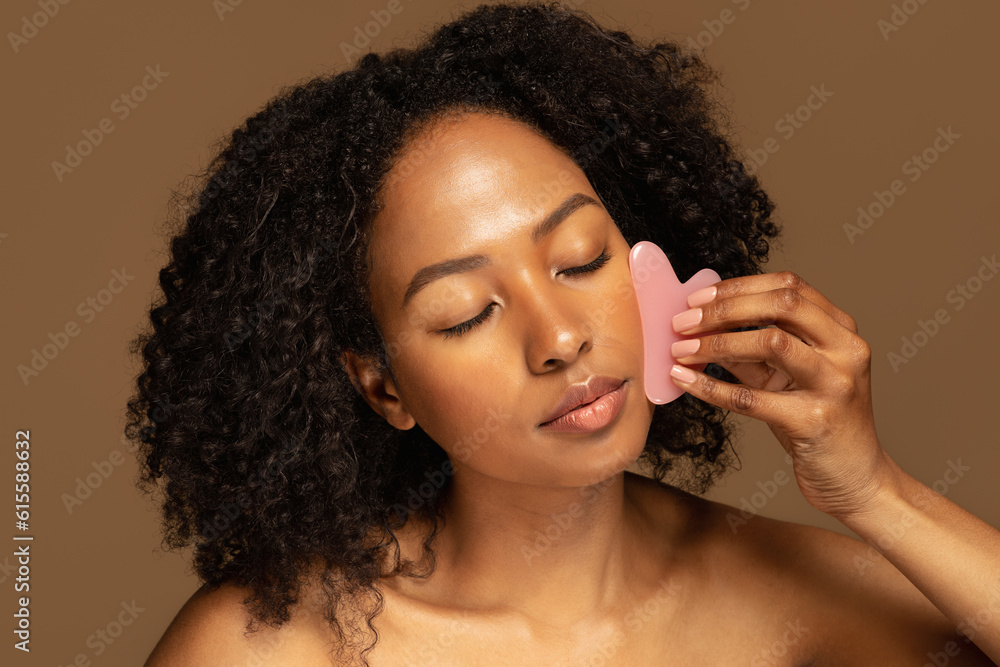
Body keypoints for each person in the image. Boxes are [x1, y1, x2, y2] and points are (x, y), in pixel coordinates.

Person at [129, 2, 1000, 665]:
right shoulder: (271, 647)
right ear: (382, 385)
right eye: (468, 311)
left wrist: (877, 494)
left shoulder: (799, 600)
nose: (559, 338)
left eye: (582, 259)